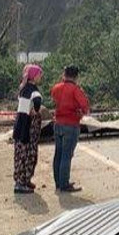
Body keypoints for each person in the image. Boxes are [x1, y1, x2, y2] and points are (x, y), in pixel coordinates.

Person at [50, 65, 89, 192]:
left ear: (64, 74)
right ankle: (64, 184)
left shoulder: (56, 88)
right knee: (67, 155)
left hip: (58, 123)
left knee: (58, 154)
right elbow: (85, 107)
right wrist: (80, 112)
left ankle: (59, 183)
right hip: (71, 125)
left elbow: (54, 100)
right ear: (76, 76)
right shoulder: (76, 89)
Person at [13, 64, 43, 194]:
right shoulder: (34, 90)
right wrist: (36, 110)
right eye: (39, 75)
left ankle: (22, 180)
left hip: (20, 124)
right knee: (29, 154)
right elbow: (37, 101)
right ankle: (22, 182)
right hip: (29, 126)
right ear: (34, 76)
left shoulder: (23, 89)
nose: (40, 77)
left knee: (20, 154)